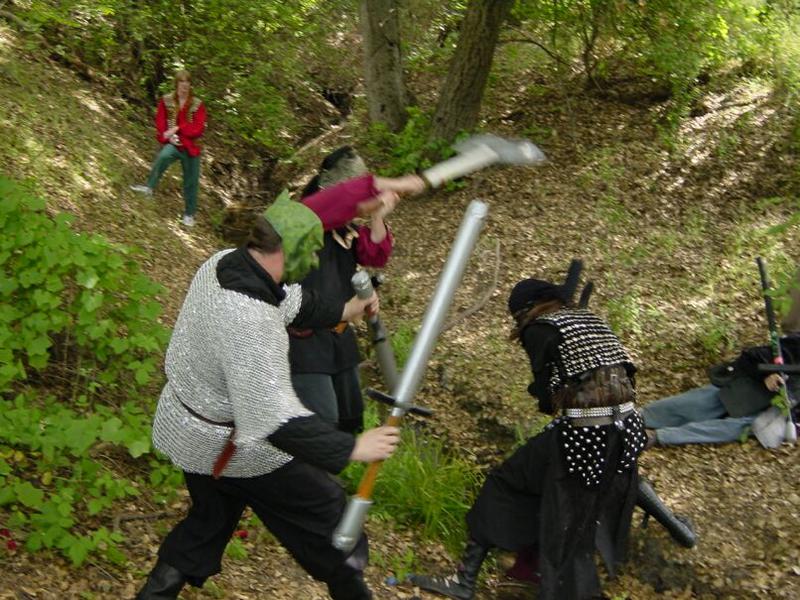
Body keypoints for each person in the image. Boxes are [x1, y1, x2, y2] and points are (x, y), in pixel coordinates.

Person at [135, 205, 410, 599]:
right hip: (234, 447)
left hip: (192, 431)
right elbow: (275, 420)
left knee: (207, 525)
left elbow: (288, 300)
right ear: (289, 251)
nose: (313, 261)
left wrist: (344, 309)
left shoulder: (224, 265)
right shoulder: (251, 322)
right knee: (331, 520)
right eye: (310, 252)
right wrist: (352, 447)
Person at [410, 276, 649, 600]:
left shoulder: (540, 329)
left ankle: (466, 580)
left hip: (586, 435)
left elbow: (547, 399)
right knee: (556, 496)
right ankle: (529, 570)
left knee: (505, 484)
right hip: (628, 431)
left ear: (524, 311)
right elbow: (624, 376)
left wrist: (547, 392)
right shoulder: (590, 319)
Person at [289, 147, 398, 434]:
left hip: (338, 339)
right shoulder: (304, 218)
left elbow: (375, 254)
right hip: (304, 342)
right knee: (322, 423)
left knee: (350, 421)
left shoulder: (345, 229)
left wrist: (377, 215)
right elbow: (335, 206)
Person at [642, 328, 800, 447]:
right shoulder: (796, 345)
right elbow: (752, 356)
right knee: (701, 402)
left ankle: (659, 436)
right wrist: (767, 375)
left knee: (739, 427)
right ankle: (639, 418)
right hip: (750, 389)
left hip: (777, 412)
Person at [130, 69, 206, 227]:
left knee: (191, 180)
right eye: (181, 84)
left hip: (191, 146)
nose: (184, 87)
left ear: (190, 85)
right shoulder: (167, 100)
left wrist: (178, 128)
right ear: (176, 84)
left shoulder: (197, 104)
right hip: (174, 143)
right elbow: (161, 122)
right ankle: (149, 188)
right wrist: (169, 137)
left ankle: (189, 214)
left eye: (187, 84)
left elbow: (198, 128)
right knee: (163, 156)